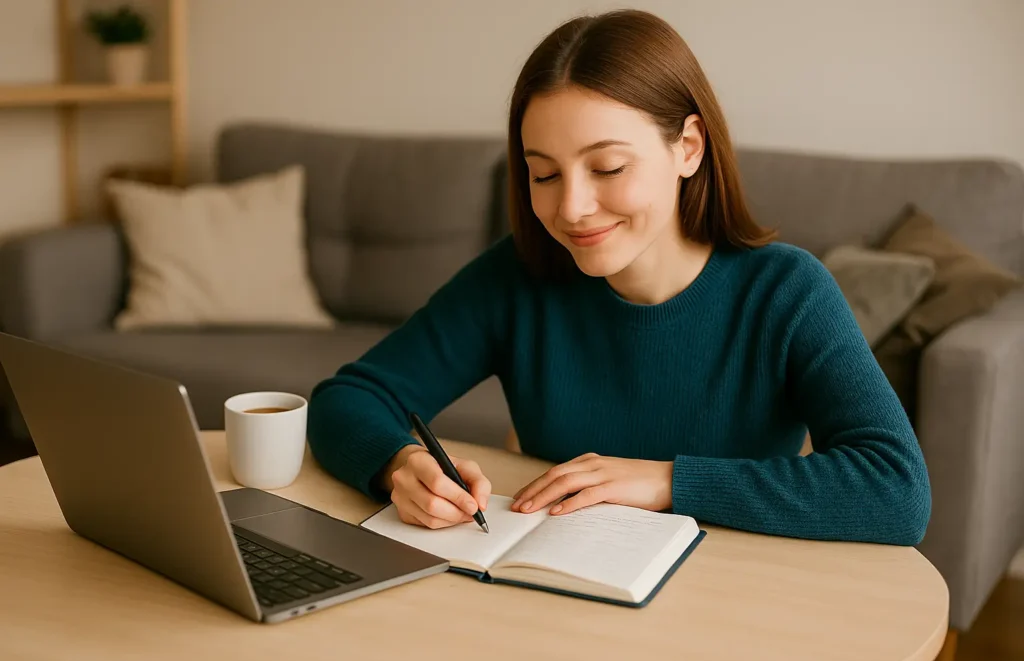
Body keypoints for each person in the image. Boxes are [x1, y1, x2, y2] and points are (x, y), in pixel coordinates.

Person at [306, 9, 931, 546]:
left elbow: (897, 490)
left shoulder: (785, 292)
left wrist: (665, 481)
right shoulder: (518, 279)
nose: (571, 207)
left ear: (688, 147)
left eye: (607, 167)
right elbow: (347, 398)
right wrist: (400, 463)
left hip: (735, 603)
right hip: (562, 596)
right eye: (544, 174)